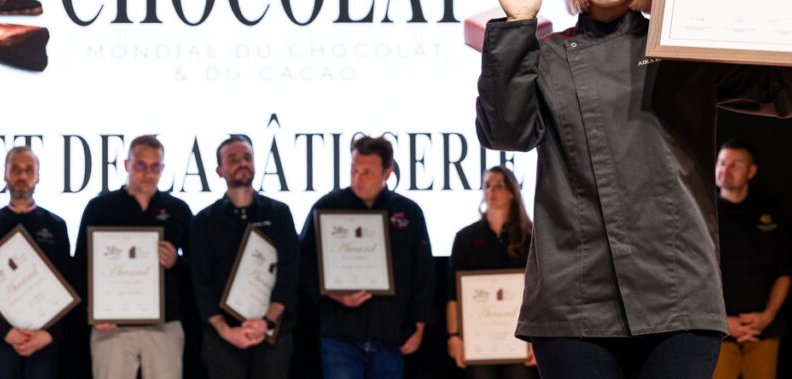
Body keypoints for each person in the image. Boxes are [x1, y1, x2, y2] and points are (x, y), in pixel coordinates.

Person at [475, 0, 792, 378]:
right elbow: (505, 132)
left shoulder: (688, 43)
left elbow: (790, 91)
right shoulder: (549, 56)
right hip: (574, 301)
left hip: (678, 294)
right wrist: (517, 27)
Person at [299, 135, 435, 379]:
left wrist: (420, 326)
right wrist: (331, 293)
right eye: (354, 170)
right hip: (340, 333)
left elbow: (423, 272)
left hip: (390, 333)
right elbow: (303, 261)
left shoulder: (409, 212)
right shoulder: (327, 207)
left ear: (387, 173)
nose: (357, 178)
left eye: (367, 172)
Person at [75, 134, 193, 379]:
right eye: (140, 165)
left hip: (164, 325)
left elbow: (198, 269)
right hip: (111, 326)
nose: (148, 173)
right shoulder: (100, 207)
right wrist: (92, 308)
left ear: (162, 168)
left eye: (155, 166)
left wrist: (176, 262)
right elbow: (80, 266)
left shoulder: (178, 209)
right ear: (127, 164)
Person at [189, 135, 298, 378]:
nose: (242, 163)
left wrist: (267, 321)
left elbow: (289, 272)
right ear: (219, 170)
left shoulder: (280, 214)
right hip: (223, 337)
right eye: (233, 159)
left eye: (247, 158)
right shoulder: (204, 221)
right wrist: (226, 331)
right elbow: (201, 283)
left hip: (273, 333)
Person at [0, 146, 72, 379]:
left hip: (43, 340)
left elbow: (68, 285)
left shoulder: (56, 226)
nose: (22, 175)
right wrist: (5, 331)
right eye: (15, 169)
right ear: (5, 174)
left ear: (38, 176)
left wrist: (49, 333)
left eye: (28, 170)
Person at [446, 166, 537, 378]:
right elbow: (453, 293)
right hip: (477, 337)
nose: (491, 191)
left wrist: (537, 339)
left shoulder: (530, 236)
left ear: (512, 192)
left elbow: (541, 292)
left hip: (520, 338)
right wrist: (453, 335)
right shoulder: (465, 237)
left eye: (499, 186)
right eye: (487, 185)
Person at [713, 139, 791, 379]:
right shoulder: (703, 212)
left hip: (763, 329)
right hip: (717, 329)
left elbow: (784, 273)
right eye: (721, 163)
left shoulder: (771, 213)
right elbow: (689, 276)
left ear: (751, 171)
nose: (725, 170)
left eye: (735, 165)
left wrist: (767, 316)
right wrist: (722, 320)